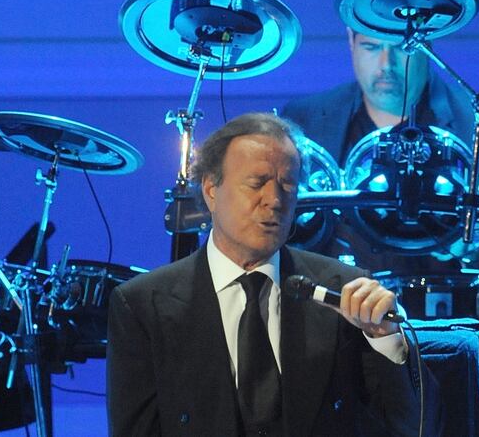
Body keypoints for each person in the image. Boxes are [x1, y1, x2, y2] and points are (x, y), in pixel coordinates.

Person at [282, 30, 479, 436]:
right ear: (350, 43)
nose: (386, 66)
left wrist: (462, 240)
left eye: (400, 50)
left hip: (461, 308)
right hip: (346, 306)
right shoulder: (306, 119)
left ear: (427, 48)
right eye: (372, 48)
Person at [106, 113, 442, 436]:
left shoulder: (342, 290)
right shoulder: (143, 305)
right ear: (211, 190)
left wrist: (385, 340)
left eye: (288, 185)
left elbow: (413, 427)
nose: (275, 200)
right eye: (257, 183)